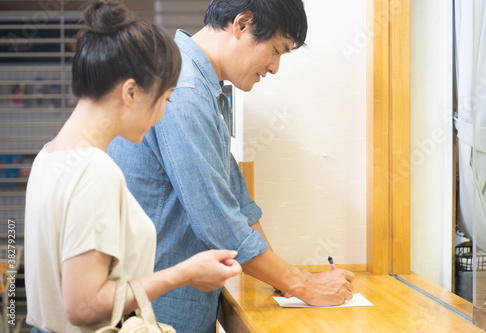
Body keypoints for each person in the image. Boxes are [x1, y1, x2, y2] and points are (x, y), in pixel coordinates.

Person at [107, 0, 356, 332]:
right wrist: (305, 286)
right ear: (242, 24)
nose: (275, 68)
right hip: (154, 313)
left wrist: (288, 277)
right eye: (277, 51)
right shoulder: (185, 88)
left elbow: (239, 207)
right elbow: (221, 226)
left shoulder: (202, 87)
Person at [24, 1, 242, 332]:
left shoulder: (49, 157)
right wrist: (184, 273)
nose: (161, 117)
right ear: (130, 92)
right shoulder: (94, 171)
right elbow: (82, 307)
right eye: (165, 100)